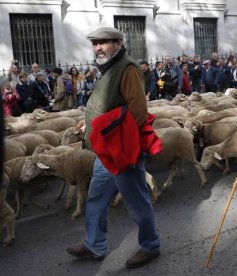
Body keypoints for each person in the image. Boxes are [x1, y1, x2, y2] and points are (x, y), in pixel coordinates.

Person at [66, 26, 160, 269]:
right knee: (96, 196)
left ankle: (151, 245)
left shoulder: (127, 68)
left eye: (103, 42)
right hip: (106, 150)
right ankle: (94, 244)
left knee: (137, 201)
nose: (98, 47)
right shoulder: (108, 68)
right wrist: (87, 121)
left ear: (118, 43)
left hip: (122, 150)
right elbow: (108, 105)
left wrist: (100, 128)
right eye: (95, 43)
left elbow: (137, 111)